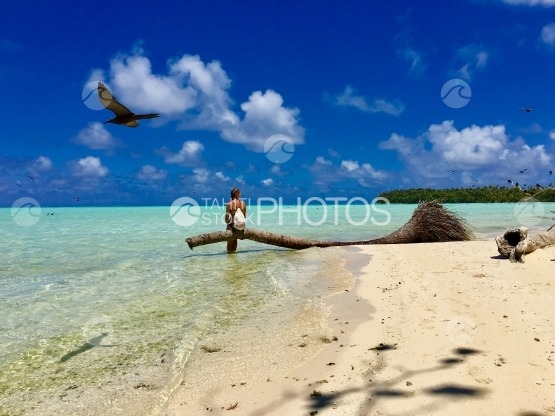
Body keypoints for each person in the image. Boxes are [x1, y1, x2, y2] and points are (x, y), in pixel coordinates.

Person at [225, 188, 247, 252]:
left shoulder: (229, 204)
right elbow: (244, 216)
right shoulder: (243, 203)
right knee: (235, 240)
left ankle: (229, 257)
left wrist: (227, 222)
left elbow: (226, 217)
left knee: (230, 241)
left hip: (232, 225)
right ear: (238, 194)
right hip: (241, 225)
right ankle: (234, 257)